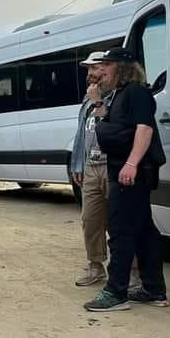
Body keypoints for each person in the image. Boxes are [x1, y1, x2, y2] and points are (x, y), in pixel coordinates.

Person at [84, 48, 168, 312]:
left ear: (122, 67)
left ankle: (116, 292)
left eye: (106, 65)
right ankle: (154, 290)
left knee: (120, 231)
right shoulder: (117, 95)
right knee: (144, 232)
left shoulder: (137, 92)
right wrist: (98, 103)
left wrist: (132, 163)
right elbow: (106, 128)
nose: (101, 70)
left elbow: (144, 129)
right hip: (122, 168)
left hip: (132, 171)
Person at [69, 52, 110, 287]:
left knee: (117, 221)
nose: (90, 75)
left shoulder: (115, 96)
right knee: (90, 220)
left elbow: (112, 128)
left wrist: (98, 102)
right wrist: (78, 164)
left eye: (93, 69)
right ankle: (95, 266)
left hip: (111, 165)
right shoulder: (88, 99)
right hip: (91, 166)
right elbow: (82, 135)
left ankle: (131, 270)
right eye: (88, 70)